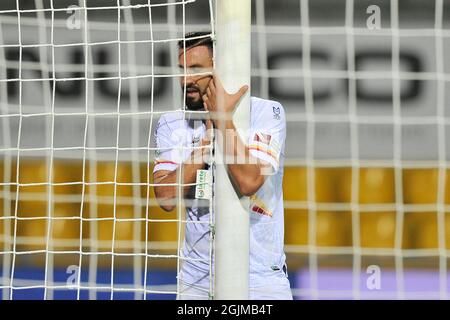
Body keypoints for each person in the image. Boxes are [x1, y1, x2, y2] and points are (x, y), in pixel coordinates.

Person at [153, 32, 292, 300]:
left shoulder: (266, 113)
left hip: (261, 279)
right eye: (181, 70)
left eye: (196, 69)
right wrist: (207, 141)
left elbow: (248, 182)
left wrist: (223, 120)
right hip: (196, 279)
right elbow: (165, 197)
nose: (185, 80)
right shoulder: (171, 122)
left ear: (222, 68)